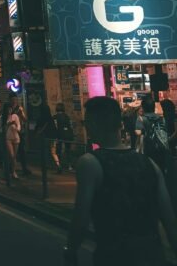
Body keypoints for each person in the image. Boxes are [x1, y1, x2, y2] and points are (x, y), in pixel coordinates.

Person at [64, 97, 177, 266]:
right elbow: (169, 221)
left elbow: (81, 217)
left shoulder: (90, 163)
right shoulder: (150, 165)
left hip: (114, 256)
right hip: (153, 255)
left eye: (85, 122)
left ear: (93, 123)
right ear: (120, 124)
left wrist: (70, 250)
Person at [136, 95, 170, 172]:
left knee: (149, 169)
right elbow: (165, 130)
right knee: (161, 168)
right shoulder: (162, 118)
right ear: (154, 107)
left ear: (143, 107)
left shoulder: (141, 118)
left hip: (148, 147)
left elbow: (138, 133)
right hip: (161, 147)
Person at [10, 94, 31, 175]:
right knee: (12, 151)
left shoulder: (20, 108)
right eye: (13, 99)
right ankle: (11, 168)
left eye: (16, 99)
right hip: (11, 131)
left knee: (22, 150)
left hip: (19, 132)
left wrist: (21, 112)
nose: (15, 101)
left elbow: (25, 119)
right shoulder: (9, 108)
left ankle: (24, 168)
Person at [52, 103, 74, 173]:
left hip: (59, 135)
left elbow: (55, 127)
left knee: (58, 151)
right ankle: (70, 165)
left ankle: (59, 166)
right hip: (68, 135)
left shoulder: (55, 117)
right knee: (68, 150)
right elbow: (71, 126)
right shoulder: (67, 116)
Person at [5, 103, 21, 179]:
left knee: (14, 156)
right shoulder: (5, 117)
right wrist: (9, 123)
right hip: (8, 137)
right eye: (8, 109)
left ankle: (13, 171)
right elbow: (4, 127)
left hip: (16, 136)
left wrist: (17, 128)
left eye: (10, 109)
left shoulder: (15, 116)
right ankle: (10, 170)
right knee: (11, 155)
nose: (9, 110)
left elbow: (19, 126)